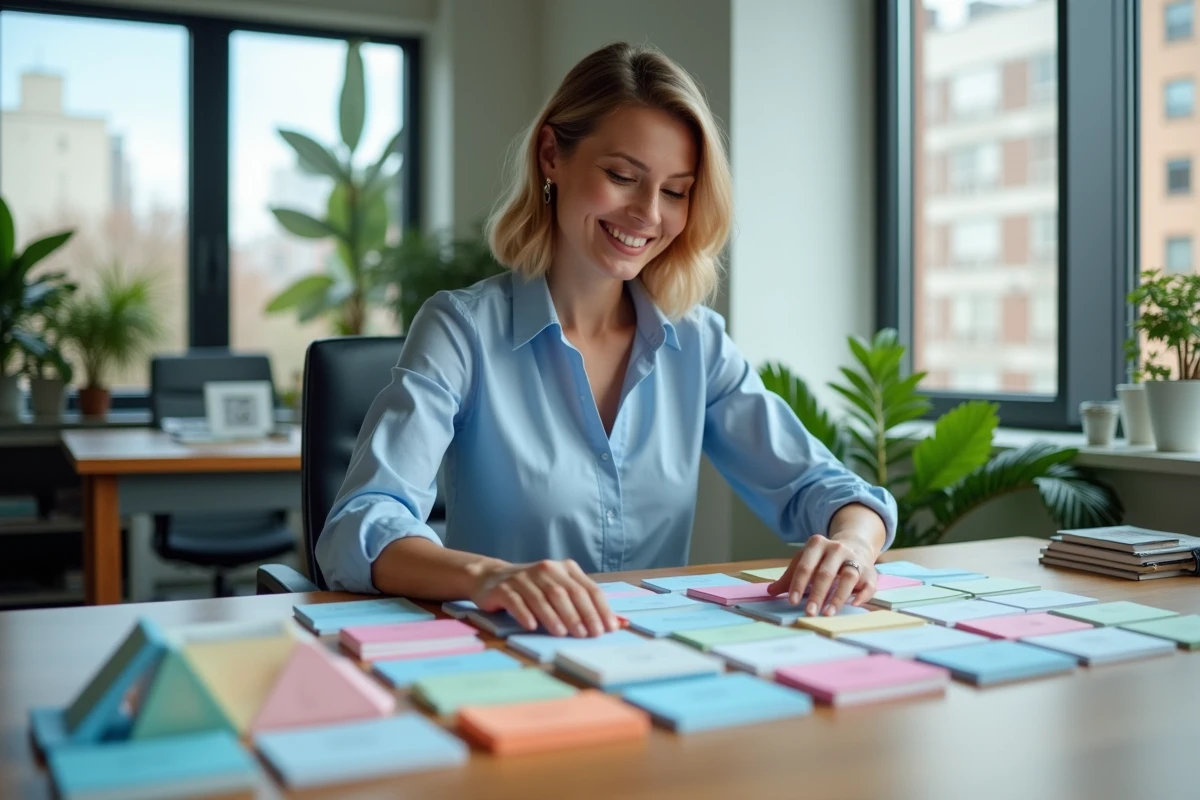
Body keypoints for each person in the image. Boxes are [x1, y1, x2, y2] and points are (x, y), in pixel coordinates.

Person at [316, 42, 897, 639]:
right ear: (551, 155)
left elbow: (822, 488)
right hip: (507, 664)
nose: (648, 213)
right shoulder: (461, 331)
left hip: (656, 667)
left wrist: (851, 544)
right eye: (622, 176)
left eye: (675, 190)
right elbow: (361, 523)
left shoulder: (697, 343)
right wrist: (489, 577)